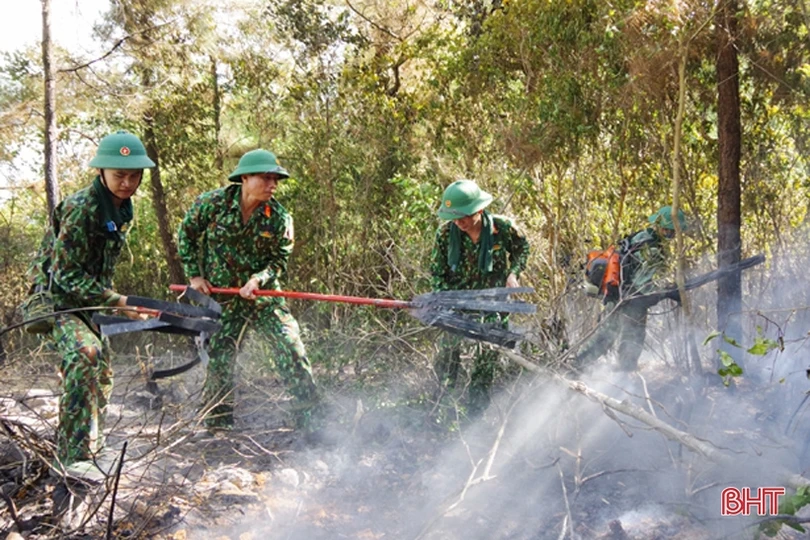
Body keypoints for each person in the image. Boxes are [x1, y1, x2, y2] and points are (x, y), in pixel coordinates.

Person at [24, 130, 155, 474]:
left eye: (134, 176)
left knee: (104, 371)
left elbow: (98, 268)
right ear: (101, 172)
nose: (127, 183)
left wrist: (116, 304)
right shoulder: (82, 208)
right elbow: (65, 275)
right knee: (86, 355)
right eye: (119, 175)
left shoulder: (122, 209)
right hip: (57, 300)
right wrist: (117, 300)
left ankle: (93, 449)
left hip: (88, 302)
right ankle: (73, 459)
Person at [177, 149, 319, 431]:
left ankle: (311, 422)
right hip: (223, 299)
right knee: (219, 358)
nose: (273, 185)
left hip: (263, 297)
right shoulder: (212, 204)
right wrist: (194, 276)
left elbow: (278, 260)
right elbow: (187, 234)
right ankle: (218, 425)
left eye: (275, 179)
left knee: (291, 347)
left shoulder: (279, 217)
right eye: (266, 178)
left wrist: (257, 280)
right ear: (244, 177)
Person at [430, 179, 530, 417]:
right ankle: (441, 408)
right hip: (457, 302)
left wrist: (513, 273)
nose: (459, 222)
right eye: (454, 217)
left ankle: (474, 415)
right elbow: (437, 274)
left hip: (493, 304)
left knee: (487, 358)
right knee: (447, 353)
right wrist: (445, 302)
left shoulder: (502, 228)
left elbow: (522, 248)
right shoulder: (445, 234)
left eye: (463, 216)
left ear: (479, 209)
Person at [573, 205, 687, 372]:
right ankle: (624, 373)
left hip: (617, 292)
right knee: (632, 337)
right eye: (670, 230)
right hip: (631, 299)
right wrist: (667, 292)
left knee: (606, 336)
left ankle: (576, 365)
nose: (672, 234)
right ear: (662, 228)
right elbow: (643, 285)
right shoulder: (653, 249)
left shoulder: (643, 236)